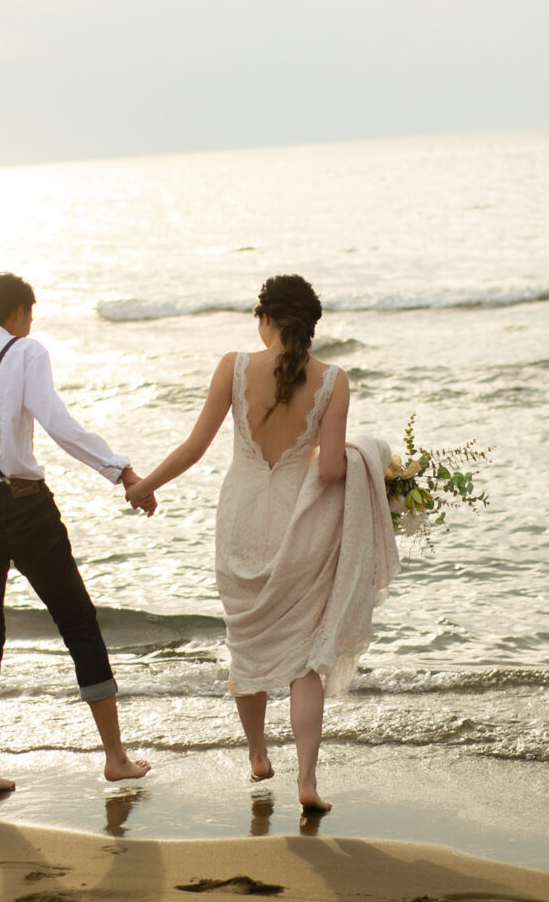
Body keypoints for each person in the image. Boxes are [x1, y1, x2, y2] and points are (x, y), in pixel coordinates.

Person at [126, 274, 398, 811]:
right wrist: (373, 458)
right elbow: (333, 470)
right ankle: (308, 782)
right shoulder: (334, 380)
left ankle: (257, 755)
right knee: (304, 660)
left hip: (242, 520)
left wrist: (145, 486)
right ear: (311, 327)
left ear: (265, 319)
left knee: (245, 644)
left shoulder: (233, 366)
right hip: (302, 528)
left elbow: (195, 446)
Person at [0, 272, 154, 798]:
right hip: (24, 508)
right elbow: (59, 424)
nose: (32, 325)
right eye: (31, 315)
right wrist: (122, 472)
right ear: (19, 313)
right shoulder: (26, 353)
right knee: (77, 621)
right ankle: (115, 758)